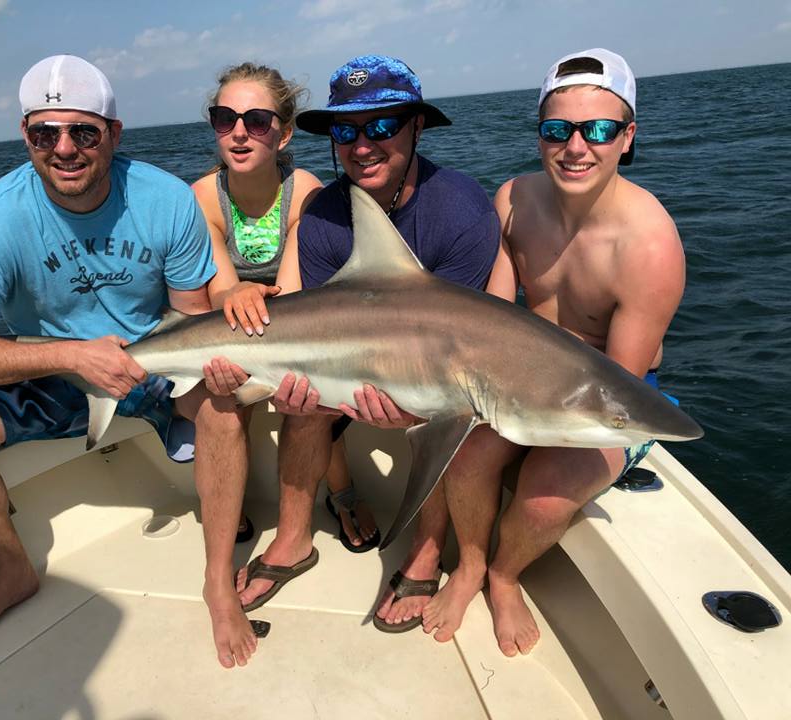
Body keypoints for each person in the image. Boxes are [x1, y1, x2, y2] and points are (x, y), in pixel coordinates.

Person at [0, 55, 257, 669]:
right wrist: (70, 354)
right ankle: (14, 571)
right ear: (26, 137)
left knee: (223, 410)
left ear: (113, 135)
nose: (64, 148)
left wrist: (206, 369)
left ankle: (217, 580)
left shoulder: (163, 199)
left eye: (83, 132)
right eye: (45, 133)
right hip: (47, 373)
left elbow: (189, 320)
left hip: (152, 366)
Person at [232, 55, 500, 629]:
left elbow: (454, 347)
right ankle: (293, 539)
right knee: (300, 405)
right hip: (349, 360)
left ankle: (427, 548)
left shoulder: (462, 211)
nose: (362, 145)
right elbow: (313, 318)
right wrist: (289, 379)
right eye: (345, 130)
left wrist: (401, 400)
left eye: (381, 127)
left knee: (434, 407)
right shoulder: (327, 214)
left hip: (430, 369)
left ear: (417, 127)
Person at [470, 48, 685, 656]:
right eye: (557, 129)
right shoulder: (512, 200)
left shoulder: (649, 246)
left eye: (598, 130)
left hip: (607, 400)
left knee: (541, 501)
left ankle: (502, 575)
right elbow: (491, 318)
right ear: (540, 134)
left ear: (627, 136)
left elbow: (616, 388)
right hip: (516, 375)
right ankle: (465, 565)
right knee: (462, 456)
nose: (576, 147)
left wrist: (530, 424)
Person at [191, 64, 379, 551]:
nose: (238, 133)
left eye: (256, 121)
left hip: (295, 317)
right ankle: (225, 502)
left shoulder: (306, 194)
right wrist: (235, 295)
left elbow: (297, 298)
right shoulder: (204, 198)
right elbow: (220, 290)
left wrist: (252, 303)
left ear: (284, 132)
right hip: (229, 322)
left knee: (311, 391)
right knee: (222, 401)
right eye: (224, 119)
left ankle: (342, 491)